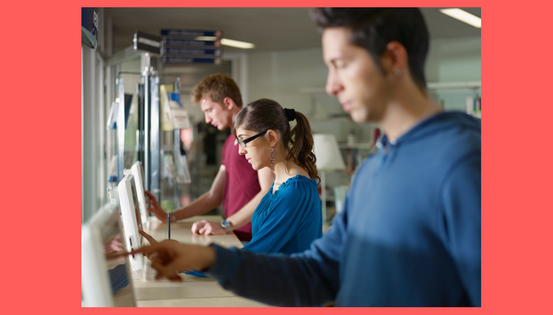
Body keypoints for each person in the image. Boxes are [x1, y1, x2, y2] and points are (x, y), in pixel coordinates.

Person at [124, 8, 481, 307]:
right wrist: (208, 258)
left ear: (393, 58)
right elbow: (320, 271)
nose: (331, 85)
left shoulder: (466, 162)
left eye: (341, 64)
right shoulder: (376, 166)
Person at [144, 74, 275, 242]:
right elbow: (214, 195)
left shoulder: (253, 136)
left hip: (253, 236)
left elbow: (268, 191)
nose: (207, 119)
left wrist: (225, 225)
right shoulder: (230, 141)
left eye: (209, 110)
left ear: (227, 103)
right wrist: (170, 217)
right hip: (235, 233)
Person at [231, 98, 322, 254]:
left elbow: (254, 255)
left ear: (271, 138)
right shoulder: (281, 182)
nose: (240, 151)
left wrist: (195, 261)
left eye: (244, 141)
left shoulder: (294, 191)